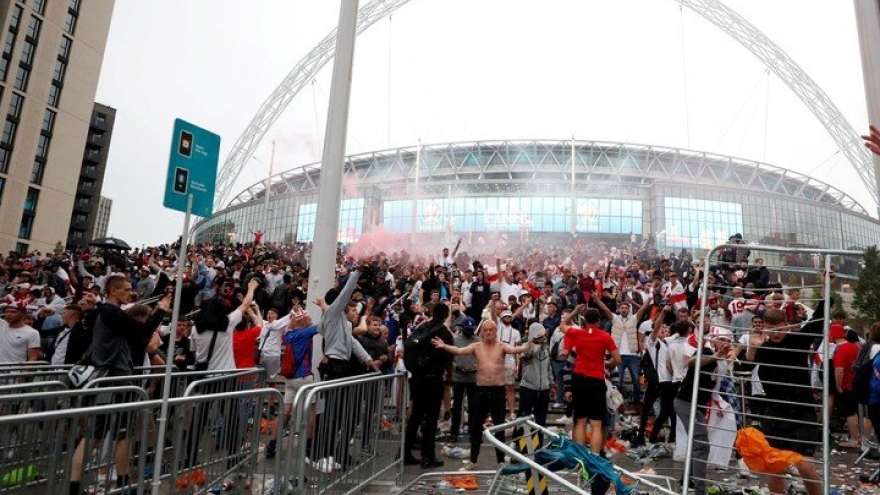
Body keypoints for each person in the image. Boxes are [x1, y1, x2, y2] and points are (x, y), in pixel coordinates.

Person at [70, 275, 170, 495]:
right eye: (126, 289)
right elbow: (143, 332)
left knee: (119, 434)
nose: (130, 293)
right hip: (112, 379)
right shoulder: (110, 312)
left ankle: (123, 485)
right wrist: (161, 310)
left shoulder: (110, 313)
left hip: (115, 379)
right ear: (113, 291)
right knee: (102, 435)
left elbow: (139, 335)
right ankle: (77, 486)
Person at [432, 319, 535, 470]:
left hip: (497, 391)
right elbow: (459, 351)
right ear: (481, 332)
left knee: (499, 426)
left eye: (491, 330)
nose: (488, 332)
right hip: (480, 391)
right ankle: (473, 460)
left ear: (495, 331)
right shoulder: (476, 346)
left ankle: (500, 460)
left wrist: (531, 341)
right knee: (475, 427)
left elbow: (517, 349)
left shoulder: (502, 346)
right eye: (485, 330)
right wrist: (444, 346)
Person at [745, 307, 821, 495]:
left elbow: (818, 320)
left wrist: (827, 290)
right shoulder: (763, 347)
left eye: (779, 328)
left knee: (804, 466)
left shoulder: (798, 341)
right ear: (765, 328)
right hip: (775, 414)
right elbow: (746, 366)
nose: (775, 333)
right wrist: (754, 346)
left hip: (802, 413)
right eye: (771, 328)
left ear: (786, 326)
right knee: (774, 466)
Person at [558, 305, 621, 455]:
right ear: (599, 321)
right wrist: (608, 364)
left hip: (579, 379)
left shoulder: (577, 333)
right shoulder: (606, 336)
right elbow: (617, 359)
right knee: (596, 424)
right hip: (597, 380)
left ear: (584, 321)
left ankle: (580, 456)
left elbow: (562, 325)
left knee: (580, 421)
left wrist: (574, 311)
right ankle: (594, 456)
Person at [404, 302, 454, 469]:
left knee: (416, 416)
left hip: (417, 378)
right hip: (433, 379)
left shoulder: (422, 327)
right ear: (446, 315)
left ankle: (405, 453)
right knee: (431, 418)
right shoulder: (444, 333)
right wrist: (449, 379)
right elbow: (449, 358)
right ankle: (428, 457)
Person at [449, 317, 478, 440]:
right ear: (462, 329)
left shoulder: (477, 340)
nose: (469, 331)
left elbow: (481, 357)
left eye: (471, 329)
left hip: (472, 377)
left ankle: (472, 431)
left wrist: (476, 366)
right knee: (457, 406)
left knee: (473, 406)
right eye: (467, 329)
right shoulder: (455, 340)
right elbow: (450, 358)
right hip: (458, 377)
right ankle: (454, 432)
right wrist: (457, 367)